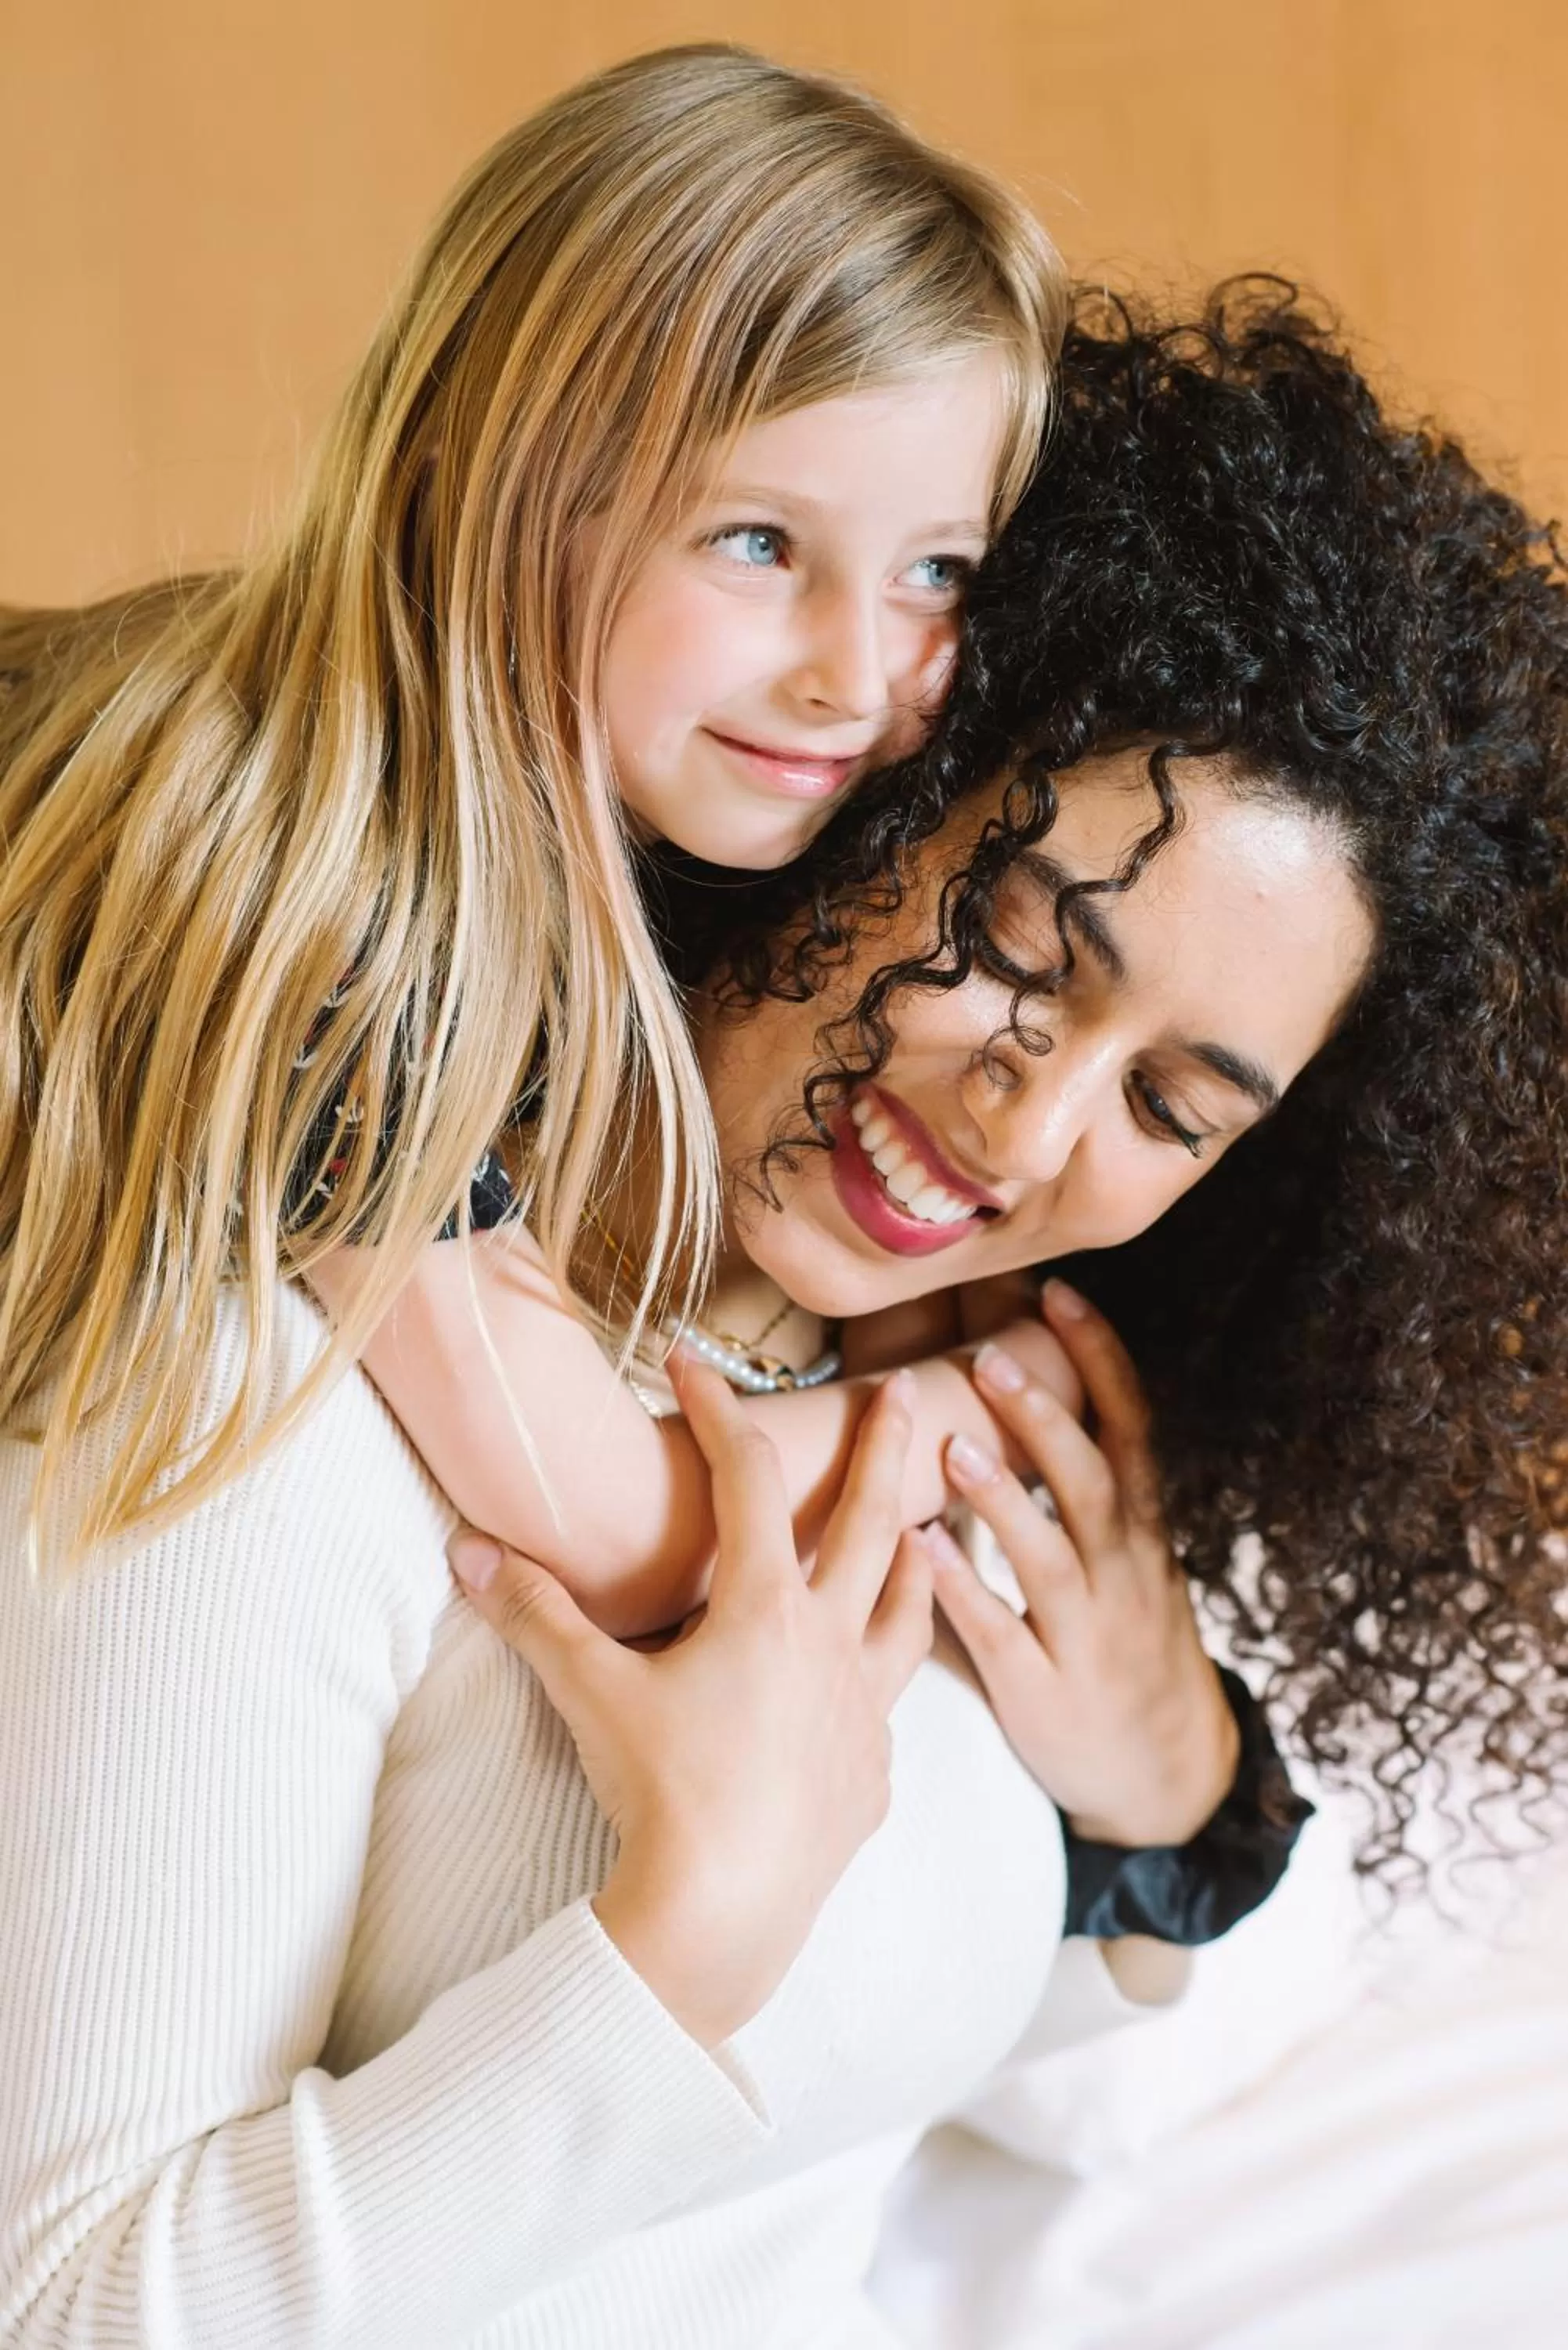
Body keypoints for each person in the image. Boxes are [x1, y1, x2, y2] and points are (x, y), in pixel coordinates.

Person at [7, 284, 1563, 2348]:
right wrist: (681, 1945)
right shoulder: (258, 1392)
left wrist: (1171, 1778)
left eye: (1174, 1107)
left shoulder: (967, 1405)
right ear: (840, 769)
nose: (1032, 1120)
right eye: (1018, 944)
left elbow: (1148, 2098)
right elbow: (74, 2296)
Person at [0, 42, 1064, 1582]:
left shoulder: (484, 811)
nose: (855, 673)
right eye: (756, 540)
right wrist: (973, 1412)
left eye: (933, 573)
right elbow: (613, 1526)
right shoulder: (318, 884)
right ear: (495, 474)